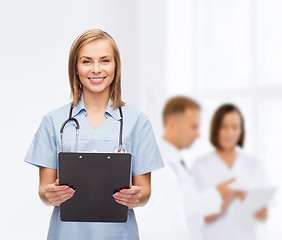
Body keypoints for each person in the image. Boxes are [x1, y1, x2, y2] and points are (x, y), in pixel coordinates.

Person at [24, 29, 164, 240]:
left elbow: (145, 193)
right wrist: (50, 194)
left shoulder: (138, 122)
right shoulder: (53, 121)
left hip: (119, 234)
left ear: (115, 66)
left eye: (105, 60)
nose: (96, 69)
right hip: (67, 234)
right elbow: (44, 192)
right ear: (76, 68)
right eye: (87, 61)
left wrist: (136, 197)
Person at [136, 96, 235, 240]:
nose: (198, 134)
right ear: (172, 125)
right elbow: (169, 213)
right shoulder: (156, 161)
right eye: (193, 127)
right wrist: (217, 195)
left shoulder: (179, 161)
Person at [192, 103, 268, 240]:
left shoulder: (255, 165)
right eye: (224, 127)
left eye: (235, 127)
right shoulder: (200, 165)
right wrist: (233, 193)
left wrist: (246, 199)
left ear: (241, 130)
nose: (229, 133)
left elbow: (263, 216)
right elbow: (205, 216)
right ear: (216, 129)